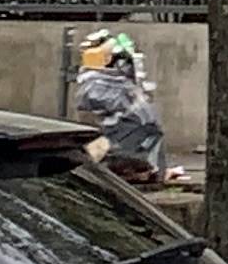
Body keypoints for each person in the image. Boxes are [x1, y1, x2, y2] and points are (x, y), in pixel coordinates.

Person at [69, 29, 168, 185]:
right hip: (125, 141)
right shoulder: (110, 87)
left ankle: (135, 171)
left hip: (124, 143)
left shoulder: (105, 86)